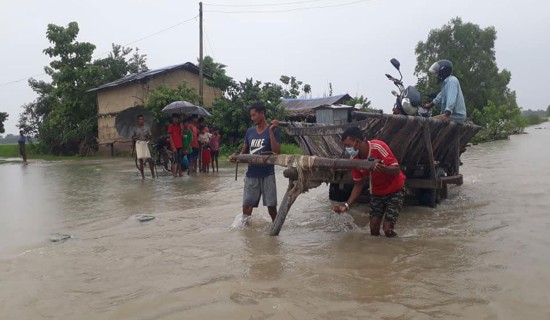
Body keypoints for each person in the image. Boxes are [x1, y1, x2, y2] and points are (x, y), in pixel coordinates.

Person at [333, 127, 406, 237]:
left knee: (387, 229)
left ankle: (394, 248)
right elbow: (358, 185)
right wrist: (346, 205)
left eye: (348, 145)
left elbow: (396, 169)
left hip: (395, 190)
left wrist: (384, 168)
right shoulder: (355, 160)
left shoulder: (378, 147)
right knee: (373, 229)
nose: (347, 149)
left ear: (356, 141)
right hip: (377, 192)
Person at [229, 103, 281, 223]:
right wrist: (236, 158)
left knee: (271, 207)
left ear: (262, 114)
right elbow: (244, 152)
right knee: (247, 207)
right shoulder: (250, 132)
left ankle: (276, 230)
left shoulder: (273, 130)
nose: (252, 118)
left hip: (268, 174)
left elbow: (276, 153)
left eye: (254, 115)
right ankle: (247, 236)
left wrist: (272, 132)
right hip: (251, 174)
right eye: (251, 116)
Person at [423, 59, 467, 124]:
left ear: (442, 72)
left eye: (437, 73)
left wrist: (446, 115)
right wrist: (429, 105)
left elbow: (451, 100)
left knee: (427, 122)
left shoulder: (452, 81)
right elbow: (439, 97)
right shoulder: (446, 84)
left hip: (456, 116)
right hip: (453, 115)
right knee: (429, 120)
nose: (436, 76)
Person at [132, 114, 155, 179]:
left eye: (142, 119)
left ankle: (153, 175)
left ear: (143, 120)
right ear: (138, 120)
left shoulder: (147, 128)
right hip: (138, 144)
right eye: (140, 119)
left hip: (145, 143)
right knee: (141, 161)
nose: (141, 121)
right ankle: (143, 176)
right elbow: (133, 138)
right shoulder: (135, 129)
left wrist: (148, 137)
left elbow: (150, 136)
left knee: (149, 159)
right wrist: (136, 137)